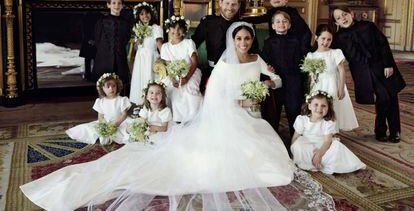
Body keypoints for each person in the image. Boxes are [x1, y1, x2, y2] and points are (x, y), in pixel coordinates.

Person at [20, 22, 297, 210]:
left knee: (269, 153)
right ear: (233, 40)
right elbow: (215, 95)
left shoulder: (257, 59)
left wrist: (265, 86)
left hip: (251, 112)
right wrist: (239, 99)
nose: (244, 43)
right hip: (231, 114)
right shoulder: (225, 64)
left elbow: (276, 79)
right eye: (239, 38)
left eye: (248, 38)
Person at [331, 6, 406, 143]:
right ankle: (381, 129)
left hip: (382, 66)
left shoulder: (368, 26)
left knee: (391, 96)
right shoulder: (338, 38)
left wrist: (388, 64)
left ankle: (394, 131)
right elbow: (327, 49)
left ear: (351, 14)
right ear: (336, 23)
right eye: (339, 18)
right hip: (363, 73)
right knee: (382, 98)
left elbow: (383, 44)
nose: (343, 18)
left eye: (345, 14)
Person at [191, 0, 259, 90]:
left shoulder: (246, 26)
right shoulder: (208, 23)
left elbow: (255, 52)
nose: (230, 8)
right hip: (213, 72)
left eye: (234, 4)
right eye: (227, 3)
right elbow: (193, 45)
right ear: (220, 3)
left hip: (239, 73)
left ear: (239, 5)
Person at [291, 90, 366, 174]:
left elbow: (327, 141)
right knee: (297, 145)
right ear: (309, 106)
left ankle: (319, 161)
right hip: (307, 146)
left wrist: (319, 154)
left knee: (337, 146)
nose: (319, 108)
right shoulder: (302, 120)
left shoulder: (327, 123)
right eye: (316, 105)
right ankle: (311, 162)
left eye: (323, 106)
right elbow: (295, 137)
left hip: (322, 147)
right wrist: (293, 151)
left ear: (328, 108)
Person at [261, 11, 305, 139]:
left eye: (285, 21)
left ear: (289, 25)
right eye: (278, 21)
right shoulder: (269, 41)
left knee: (293, 112)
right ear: (273, 25)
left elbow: (301, 61)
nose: (281, 24)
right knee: (273, 114)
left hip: (293, 81)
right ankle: (273, 141)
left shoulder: (296, 41)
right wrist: (268, 68)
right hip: (276, 82)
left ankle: (295, 141)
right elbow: (264, 61)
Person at [306, 24, 358, 131]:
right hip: (319, 85)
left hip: (333, 84)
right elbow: (311, 76)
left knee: (333, 108)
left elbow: (342, 71)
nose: (325, 42)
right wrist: (311, 90)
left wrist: (341, 88)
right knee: (319, 108)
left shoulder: (335, 53)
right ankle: (320, 131)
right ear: (316, 38)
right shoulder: (311, 55)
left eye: (329, 40)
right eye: (323, 39)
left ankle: (332, 132)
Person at [66, 73, 131, 145]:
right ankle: (103, 136)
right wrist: (103, 126)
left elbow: (124, 114)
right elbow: (100, 116)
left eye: (114, 86)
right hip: (107, 123)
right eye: (108, 87)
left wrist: (115, 125)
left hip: (120, 123)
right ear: (102, 88)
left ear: (117, 86)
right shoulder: (101, 101)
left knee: (127, 130)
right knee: (89, 128)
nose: (111, 89)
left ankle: (116, 136)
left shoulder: (122, 100)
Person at [244, 0, 312, 55]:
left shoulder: (291, 11)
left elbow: (302, 27)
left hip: (290, 41)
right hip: (276, 41)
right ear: (270, 1)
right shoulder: (271, 12)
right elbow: (259, 19)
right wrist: (244, 19)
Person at [160, 15, 202, 123]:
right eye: (173, 28)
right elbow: (168, 65)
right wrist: (173, 79)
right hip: (173, 74)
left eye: (179, 28)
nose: (176, 31)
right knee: (172, 90)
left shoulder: (189, 43)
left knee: (189, 91)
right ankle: (176, 119)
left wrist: (187, 78)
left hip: (190, 72)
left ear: (184, 30)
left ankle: (193, 118)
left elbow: (194, 62)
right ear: (169, 29)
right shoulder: (165, 47)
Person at [92, 0, 132, 88]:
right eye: (113, 3)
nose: (116, 6)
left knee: (120, 86)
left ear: (122, 5)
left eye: (119, 3)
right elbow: (97, 41)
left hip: (120, 59)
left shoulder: (125, 23)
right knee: (104, 86)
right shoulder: (101, 22)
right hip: (104, 59)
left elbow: (126, 39)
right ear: (108, 5)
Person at [129, 2, 164, 105]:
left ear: (151, 14)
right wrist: (137, 42)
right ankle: (141, 103)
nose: (145, 16)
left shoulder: (155, 28)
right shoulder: (138, 29)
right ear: (138, 16)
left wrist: (163, 58)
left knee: (150, 78)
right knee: (140, 80)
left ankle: (152, 103)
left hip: (151, 58)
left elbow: (159, 45)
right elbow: (136, 48)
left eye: (147, 13)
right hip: (141, 58)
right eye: (142, 14)